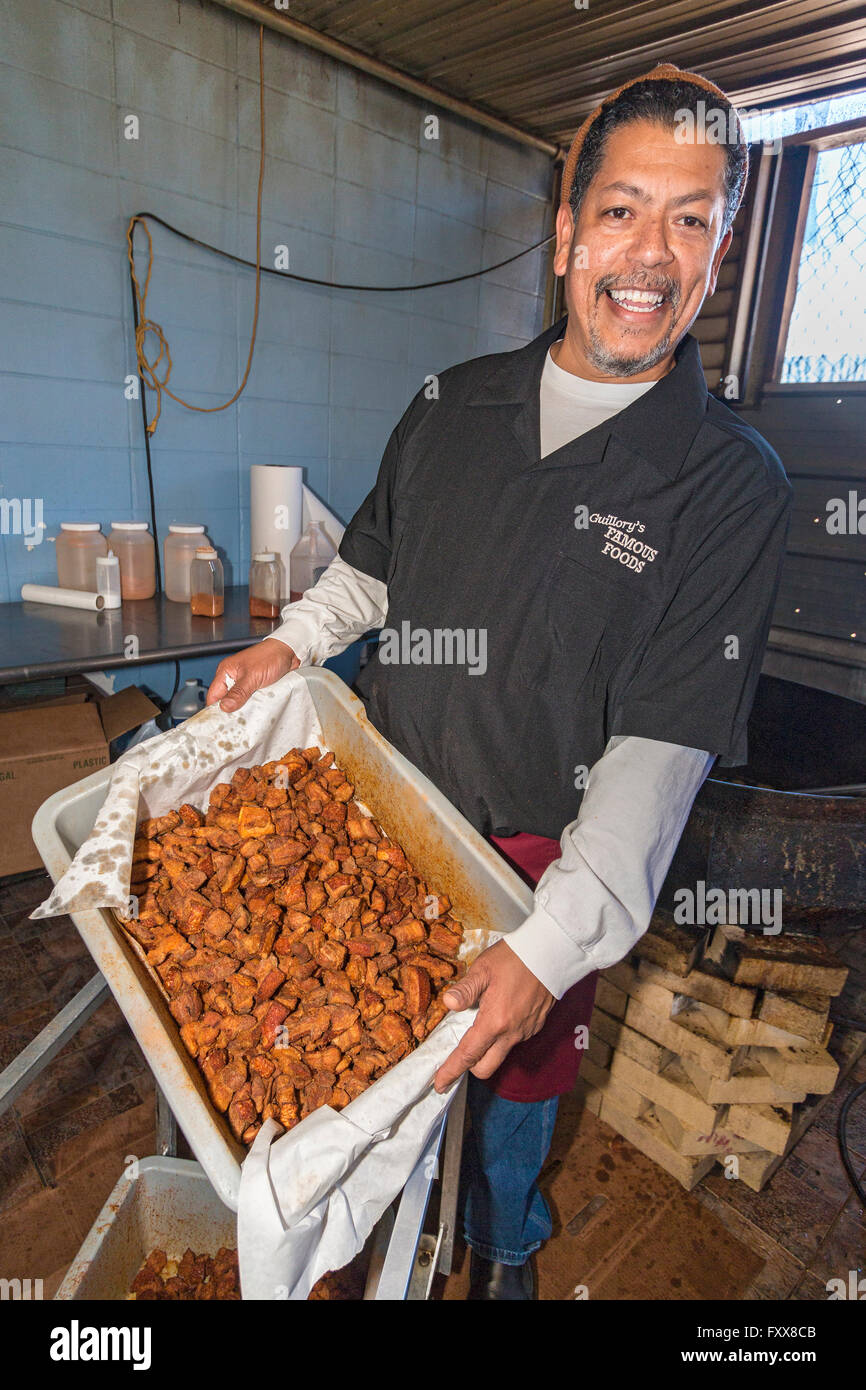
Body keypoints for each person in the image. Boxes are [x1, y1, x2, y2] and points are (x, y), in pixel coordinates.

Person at [207, 63, 792, 1300]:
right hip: (374, 832)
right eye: (622, 208)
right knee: (349, 1078)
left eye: (690, 218)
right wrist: (291, 645)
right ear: (565, 229)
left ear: (720, 247)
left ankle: (506, 1249)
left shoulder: (726, 482)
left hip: (540, 875)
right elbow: (367, 573)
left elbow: (658, 751)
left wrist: (548, 944)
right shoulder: (450, 406)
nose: (650, 253)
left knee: (505, 1107)